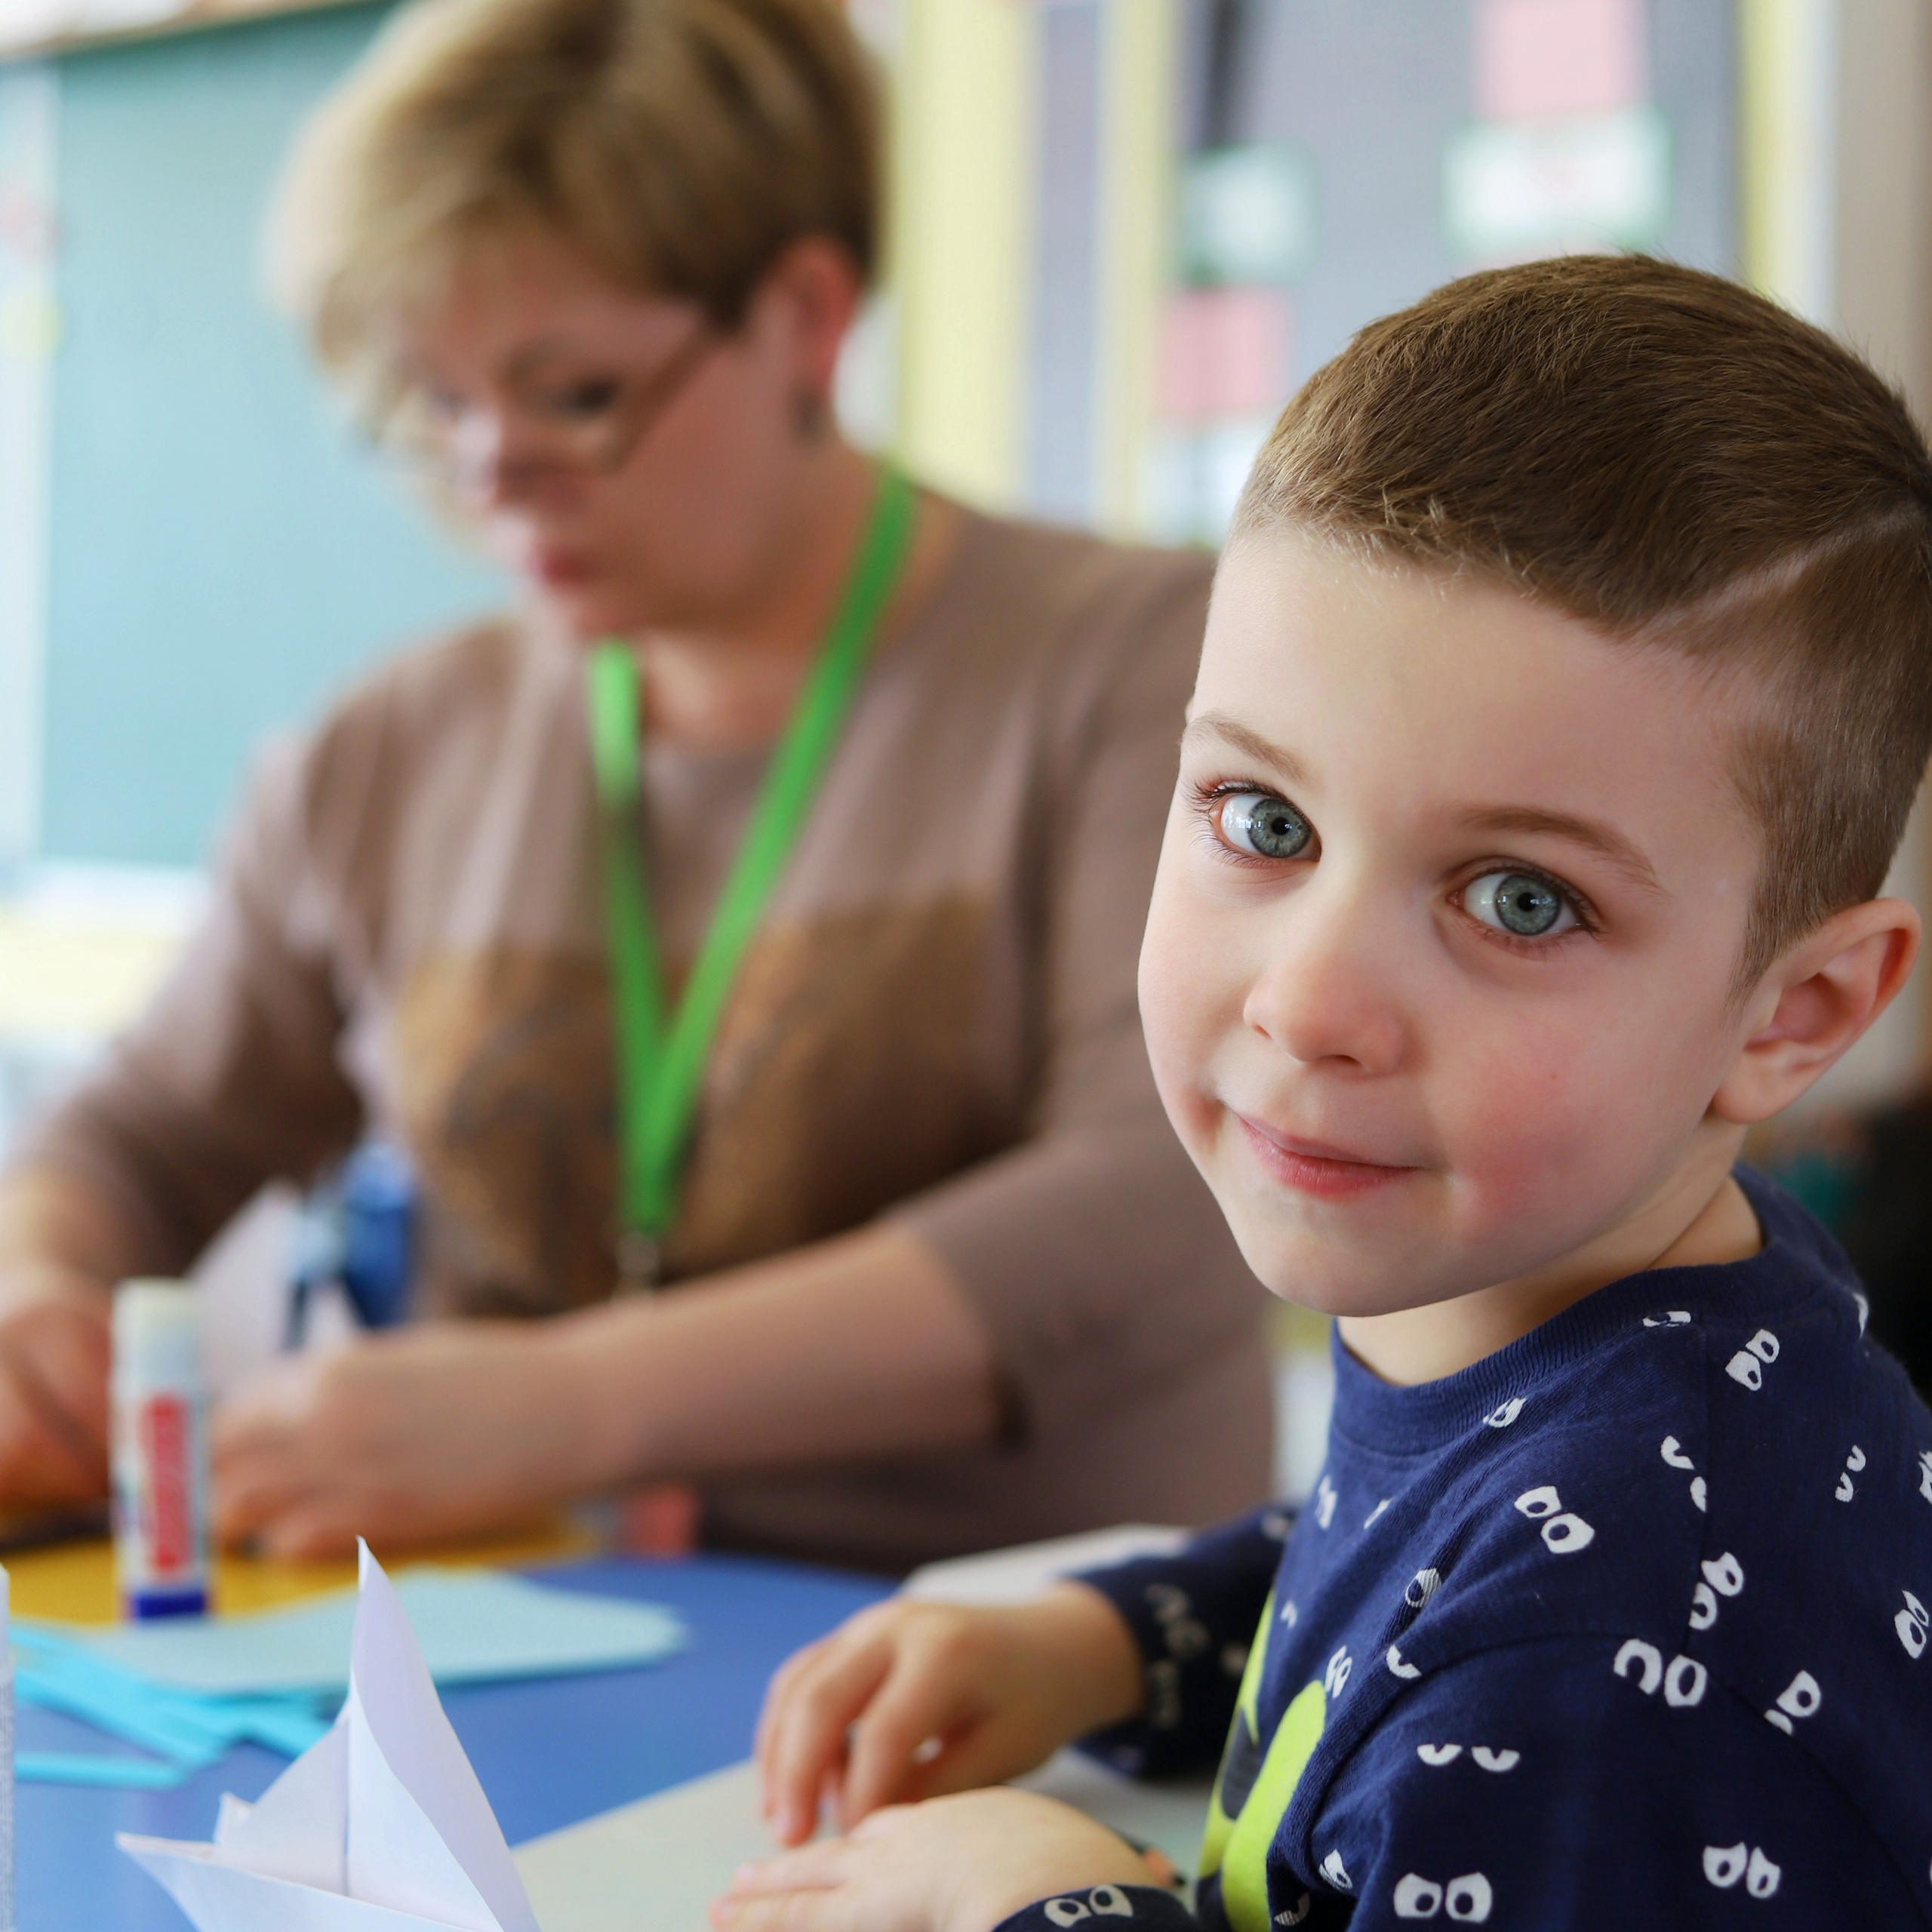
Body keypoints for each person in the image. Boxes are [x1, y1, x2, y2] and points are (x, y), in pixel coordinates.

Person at [722, 257, 1932, 1930]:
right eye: (1260, 820)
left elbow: (1523, 1633)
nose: (1307, 1002)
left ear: (1791, 1012)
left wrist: (1043, 1901)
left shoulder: (1607, 1666)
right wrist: (1109, 1636)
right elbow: (1415, 1543)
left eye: (1517, 899)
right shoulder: (1622, 1324)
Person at [0, 0, 1271, 1571]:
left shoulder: (1150, 667)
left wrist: (572, 1401)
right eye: (434, 406)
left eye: (571, 394)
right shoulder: (385, 747)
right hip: (500, 1687)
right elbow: (133, 1137)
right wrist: (37, 1290)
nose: (490, 476)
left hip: (1017, 1691)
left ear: (802, 315)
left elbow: (1162, 1194)